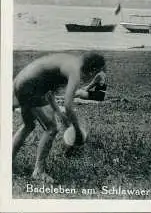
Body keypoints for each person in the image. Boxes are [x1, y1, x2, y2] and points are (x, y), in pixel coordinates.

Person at [12, 52, 106, 183]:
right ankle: (39, 171)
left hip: (20, 81)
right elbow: (68, 104)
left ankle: (7, 161)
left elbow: (49, 91)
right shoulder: (75, 72)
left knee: (29, 125)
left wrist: (59, 113)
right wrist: (77, 130)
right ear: (93, 69)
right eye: (96, 72)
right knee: (51, 129)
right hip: (30, 87)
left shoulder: (71, 61)